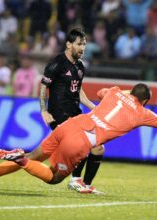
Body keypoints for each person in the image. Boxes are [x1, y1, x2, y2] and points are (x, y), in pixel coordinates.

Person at [0, 84, 157, 191]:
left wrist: (113, 94)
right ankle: (20, 160)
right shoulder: (143, 113)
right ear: (145, 100)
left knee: (34, 154)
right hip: (84, 139)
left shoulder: (115, 91)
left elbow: (99, 94)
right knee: (53, 177)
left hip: (72, 124)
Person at [39, 28, 104, 194]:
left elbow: (79, 92)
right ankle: (75, 179)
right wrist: (43, 111)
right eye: (79, 44)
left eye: (84, 44)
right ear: (69, 44)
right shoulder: (57, 63)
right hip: (59, 113)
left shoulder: (80, 67)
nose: (83, 48)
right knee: (83, 143)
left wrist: (94, 108)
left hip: (76, 112)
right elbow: (44, 86)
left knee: (98, 147)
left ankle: (86, 184)